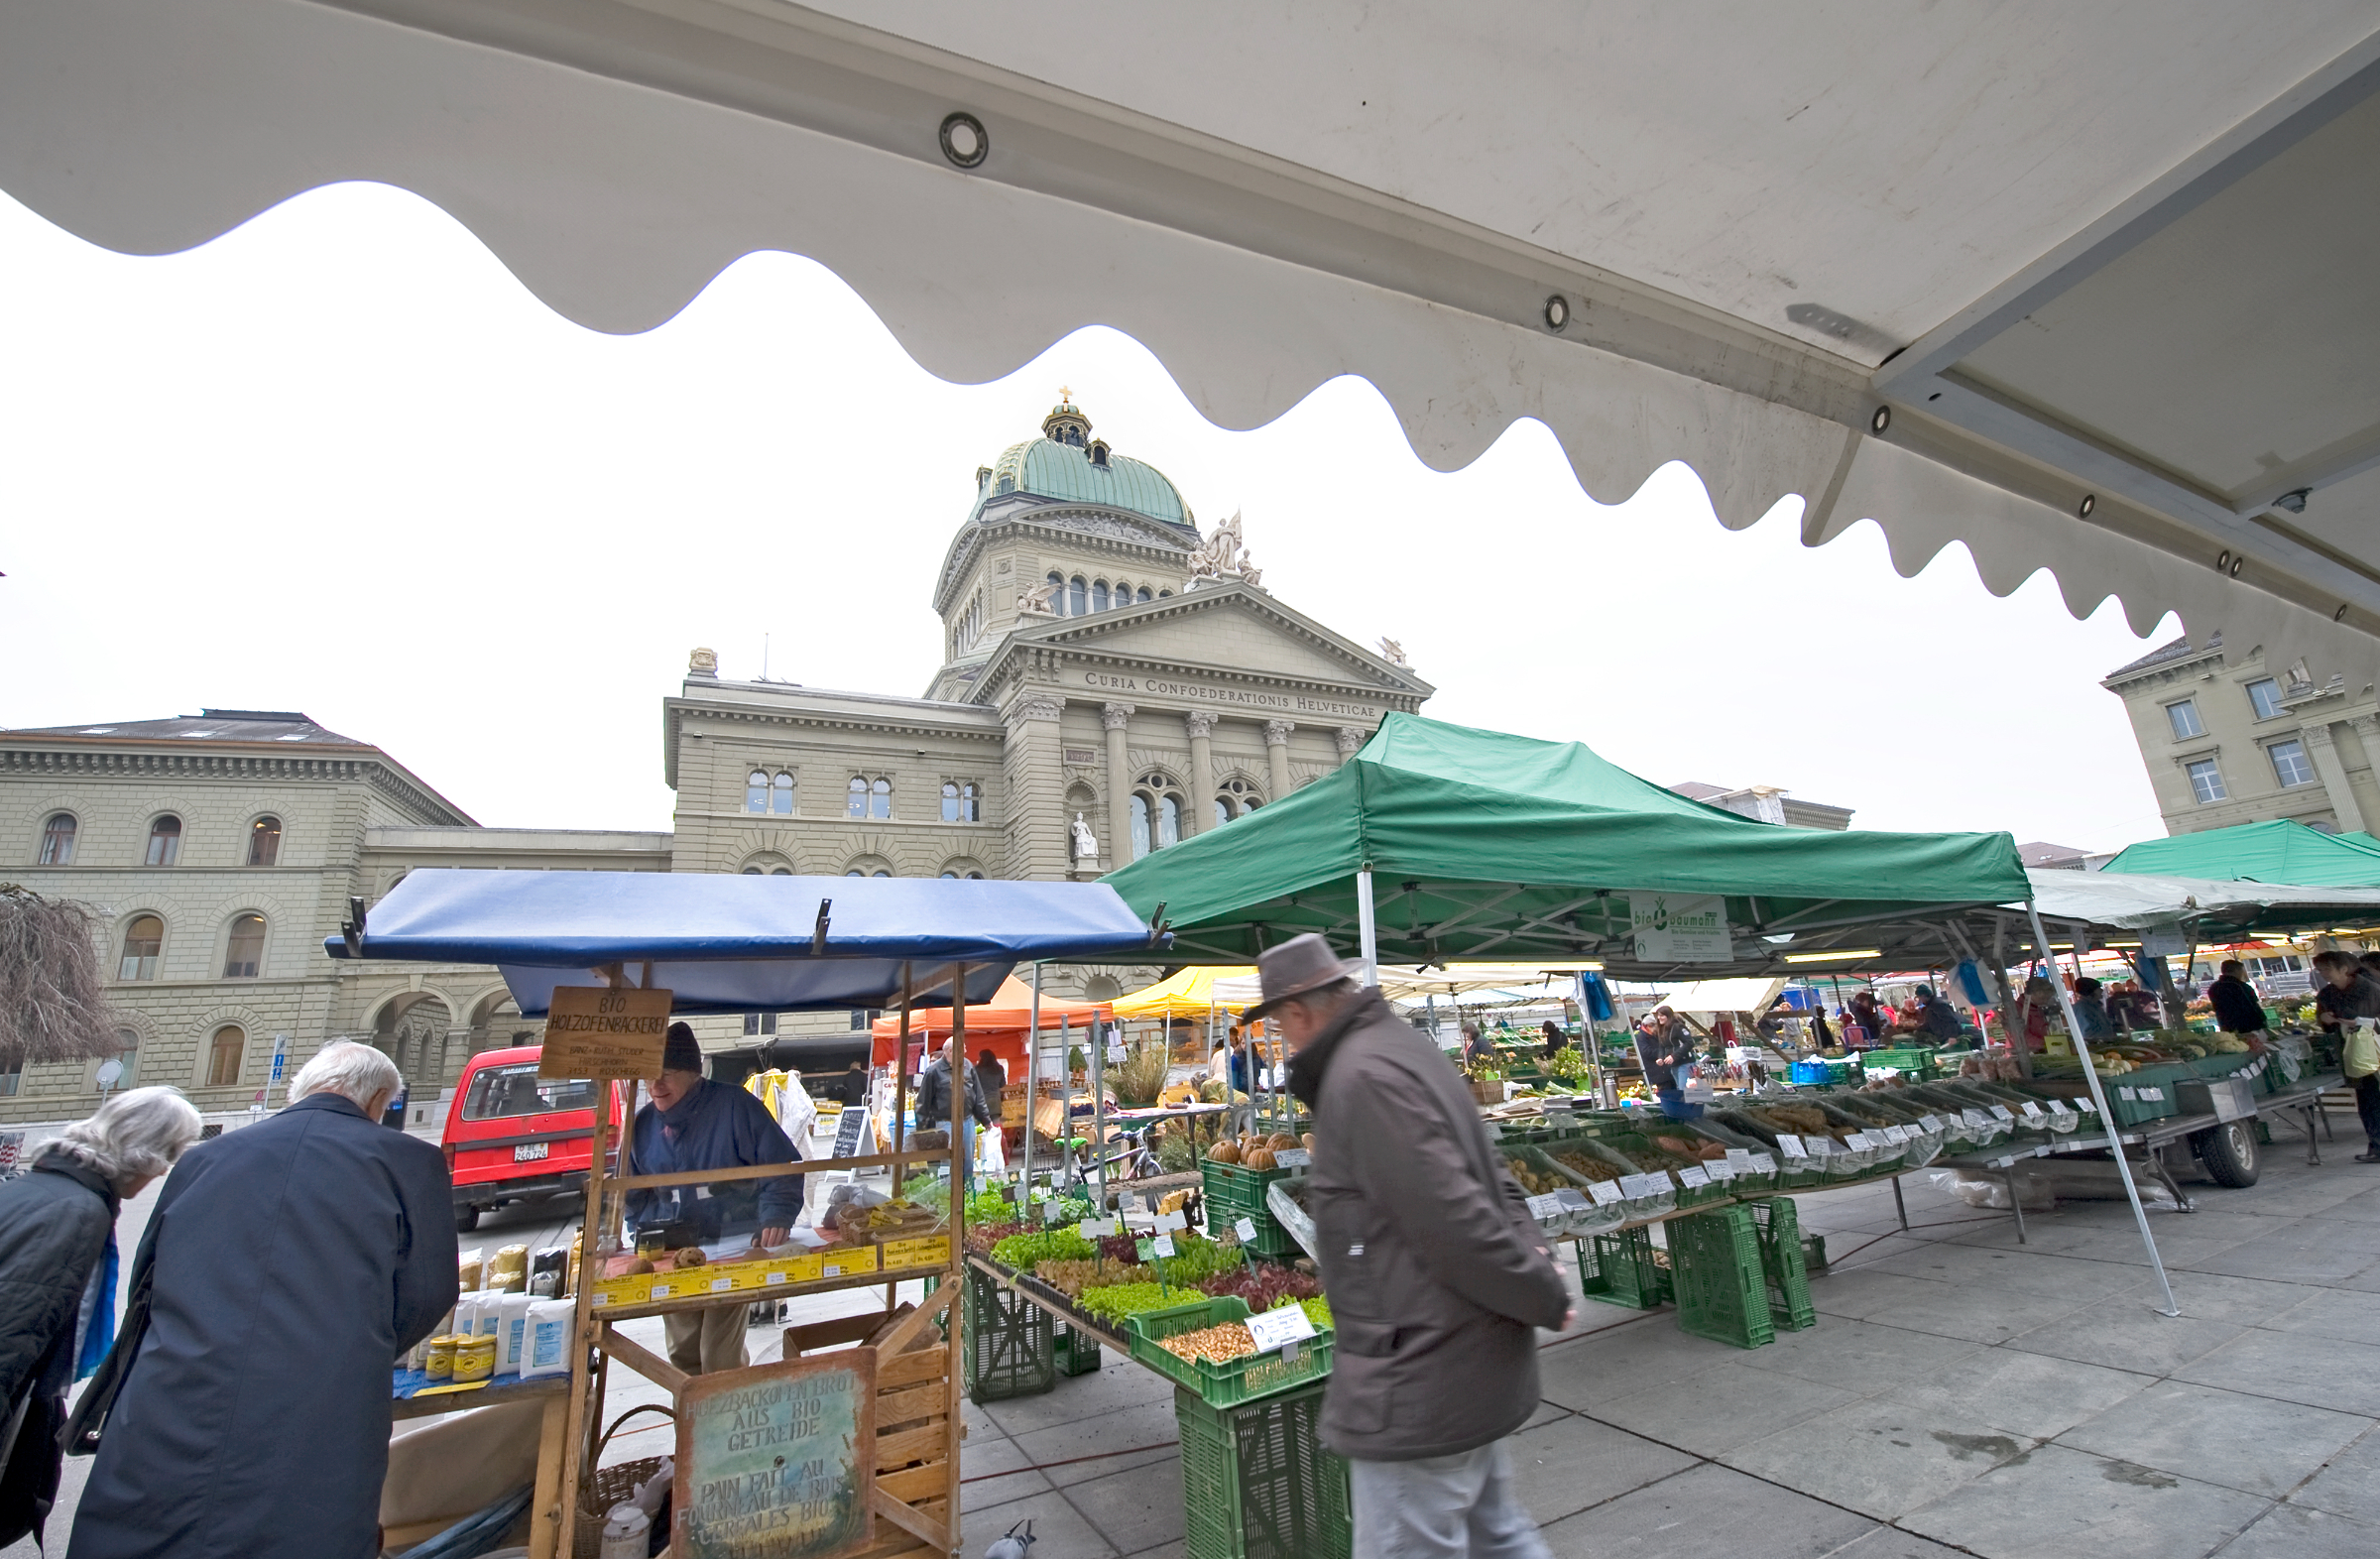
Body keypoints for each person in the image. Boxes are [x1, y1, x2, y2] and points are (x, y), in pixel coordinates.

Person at [65, 1043, 455, 1559]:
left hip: (175, 1390)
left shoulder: (204, 1158)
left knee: (151, 1532)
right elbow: (428, 1293)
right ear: (379, 1098)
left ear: (301, 1088)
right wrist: (357, 1343)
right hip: (320, 1399)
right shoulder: (409, 1160)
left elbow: (149, 1280)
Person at [1255, 933, 1569, 1559]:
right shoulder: (1402, 1047)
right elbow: (1494, 1176)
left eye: (1280, 1026)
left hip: (1418, 1374)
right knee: (1498, 1538)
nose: (1284, 1041)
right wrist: (1534, 1258)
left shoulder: (1360, 1077)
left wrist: (1541, 1292)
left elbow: (1452, 1222)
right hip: (1462, 1360)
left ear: (1297, 1011)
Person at [0, 1089, 202, 1549]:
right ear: (143, 1152)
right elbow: (13, 1336)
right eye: (168, 1155)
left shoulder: (38, 1187)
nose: (164, 1171)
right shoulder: (78, 1211)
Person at [622, 1024, 803, 1374]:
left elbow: (780, 1164)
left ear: (694, 1072)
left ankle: (725, 1419)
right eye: (648, 1076)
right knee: (683, 1356)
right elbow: (631, 1193)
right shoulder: (642, 1126)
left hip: (732, 1245)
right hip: (674, 1254)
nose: (655, 1085)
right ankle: (690, 1423)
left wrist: (776, 1213)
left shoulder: (734, 1105)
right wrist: (643, 1232)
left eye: (667, 1074)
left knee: (720, 1356)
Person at [2313, 950, 2380, 1164]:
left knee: (2374, 1099)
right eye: (2320, 970)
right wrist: (2324, 1018)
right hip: (2350, 1052)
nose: (2323, 974)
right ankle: (2376, 1145)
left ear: (2344, 969)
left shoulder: (2371, 989)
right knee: (2367, 1101)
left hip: (2374, 1050)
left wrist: (2364, 1023)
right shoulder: (2326, 995)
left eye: (2327, 969)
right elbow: (2322, 1021)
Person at [915, 1036, 993, 1187]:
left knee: (968, 1160)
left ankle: (967, 1194)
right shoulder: (933, 1071)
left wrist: (986, 1119)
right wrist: (922, 1131)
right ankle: (948, 1195)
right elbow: (922, 1103)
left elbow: (977, 1095)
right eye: (962, 1049)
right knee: (948, 1161)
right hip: (945, 1122)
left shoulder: (968, 1066)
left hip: (967, 1120)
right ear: (950, 1051)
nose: (965, 1051)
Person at [1634, 1007, 1695, 1117]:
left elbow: (1689, 1042)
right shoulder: (1662, 1030)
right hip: (1673, 1065)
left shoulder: (1677, 1027)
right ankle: (1681, 1115)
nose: (1659, 1018)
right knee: (1679, 1091)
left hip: (1683, 1062)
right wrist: (1661, 1057)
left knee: (1683, 1090)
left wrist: (1674, 1056)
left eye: (1662, 1015)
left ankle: (1689, 1115)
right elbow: (1662, 1046)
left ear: (1668, 1016)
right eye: (1658, 1015)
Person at [2205, 961, 2270, 1053]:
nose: (2243, 973)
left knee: (2236, 1048)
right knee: (2256, 1050)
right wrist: (2262, 1022)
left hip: (2227, 1026)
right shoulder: (2241, 986)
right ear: (2236, 970)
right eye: (2242, 970)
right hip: (2248, 1026)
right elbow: (2252, 1006)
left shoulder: (2214, 987)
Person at [2070, 977, 2113, 1042]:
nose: (2101, 990)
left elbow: (2102, 1024)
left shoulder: (2095, 1005)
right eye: (2098, 988)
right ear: (2090, 991)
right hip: (2097, 1047)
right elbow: (2087, 1033)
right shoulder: (2082, 1007)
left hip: (2105, 1043)